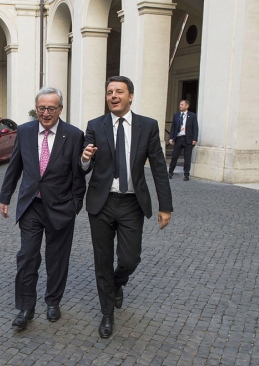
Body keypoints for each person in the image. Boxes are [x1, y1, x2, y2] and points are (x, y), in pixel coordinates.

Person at [81, 76, 173, 339]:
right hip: (102, 202)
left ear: (130, 96)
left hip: (132, 203)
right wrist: (85, 158)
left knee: (130, 259)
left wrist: (165, 206)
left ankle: (118, 282)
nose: (113, 96)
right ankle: (107, 313)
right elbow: (83, 165)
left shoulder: (148, 126)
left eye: (119, 92)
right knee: (102, 261)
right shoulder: (95, 126)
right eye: (109, 92)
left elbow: (158, 168)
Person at [0, 87, 86, 330]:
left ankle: (53, 301)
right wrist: (5, 196)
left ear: (60, 109)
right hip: (31, 206)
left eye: (51, 108)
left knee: (57, 259)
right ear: (36, 108)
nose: (45, 113)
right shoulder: (25, 131)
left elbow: (78, 176)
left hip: (61, 207)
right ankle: (25, 307)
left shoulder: (74, 135)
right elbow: (14, 166)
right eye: (41, 108)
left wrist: (74, 206)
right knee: (27, 257)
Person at [168, 100, 199, 181]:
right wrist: (171, 138)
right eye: (180, 104)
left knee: (187, 158)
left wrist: (195, 139)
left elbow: (195, 128)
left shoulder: (192, 116)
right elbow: (173, 127)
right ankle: (170, 172)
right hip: (178, 138)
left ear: (187, 106)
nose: (180, 106)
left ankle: (186, 174)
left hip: (187, 139)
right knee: (174, 156)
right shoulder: (176, 115)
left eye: (182, 104)